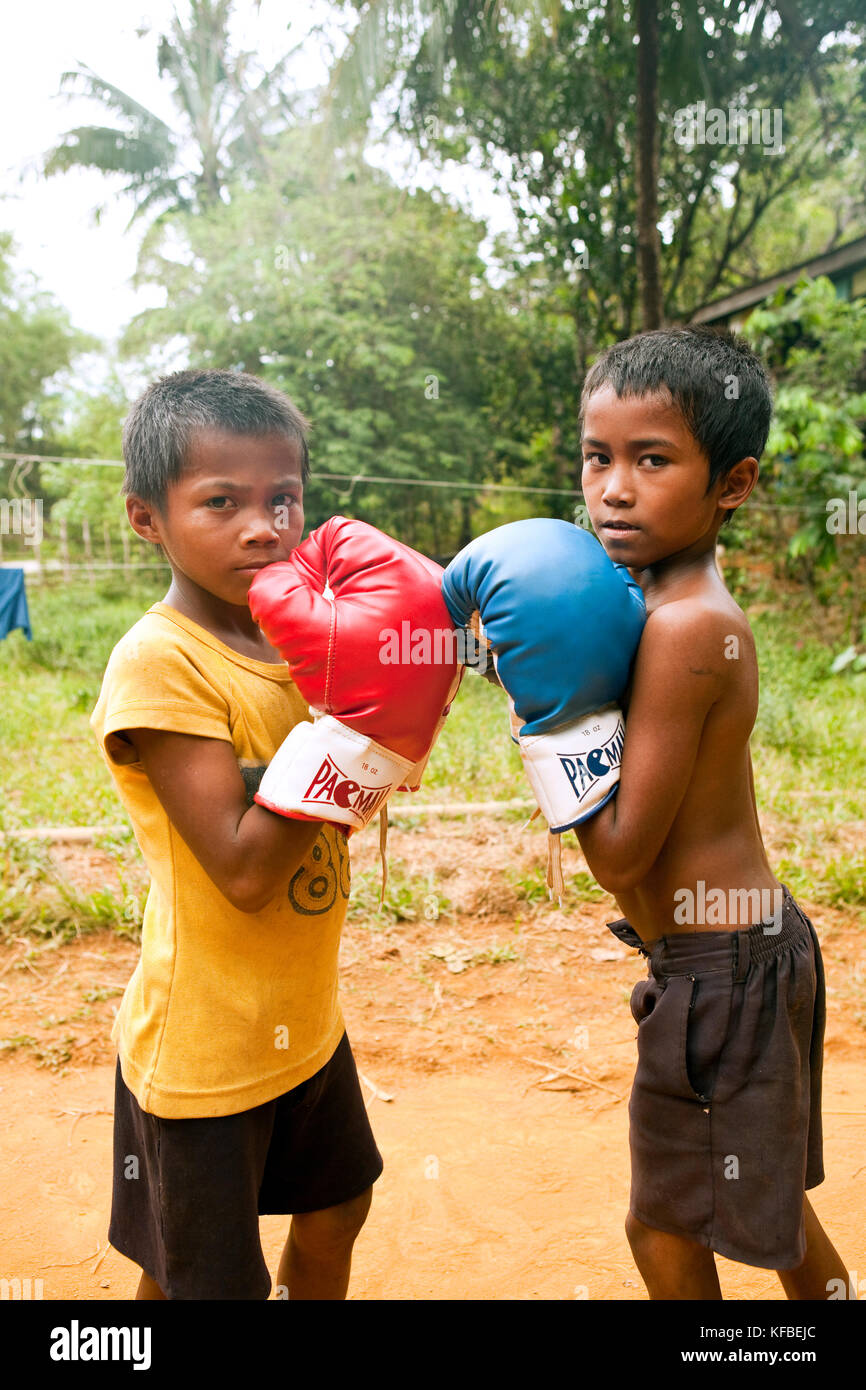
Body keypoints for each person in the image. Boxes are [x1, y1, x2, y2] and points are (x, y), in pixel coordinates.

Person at [90, 369, 382, 1300]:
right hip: (206, 1045)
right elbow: (246, 867)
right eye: (221, 502)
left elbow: (348, 796)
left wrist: (397, 689)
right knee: (206, 1280)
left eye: (282, 499)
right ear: (148, 519)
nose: (264, 527)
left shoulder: (304, 638)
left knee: (337, 1211)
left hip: (303, 1023)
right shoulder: (160, 659)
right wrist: (363, 729)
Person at [572, 325, 848, 1299]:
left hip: (719, 969)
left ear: (729, 483)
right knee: (765, 1210)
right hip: (728, 954)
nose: (612, 486)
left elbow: (616, 851)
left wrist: (544, 721)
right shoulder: (649, 602)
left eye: (650, 459)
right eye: (596, 456)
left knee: (663, 1231)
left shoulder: (688, 626)